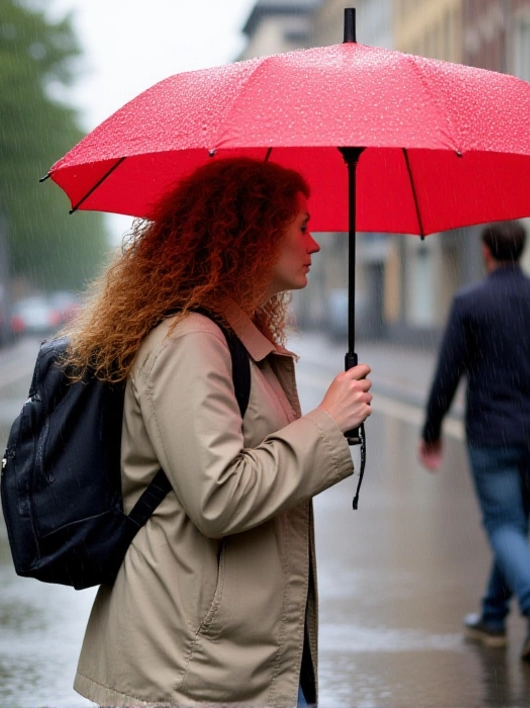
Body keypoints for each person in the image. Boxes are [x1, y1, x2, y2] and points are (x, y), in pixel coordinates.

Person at [60, 157, 373, 706]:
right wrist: (326, 423)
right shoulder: (191, 342)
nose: (316, 244)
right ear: (255, 233)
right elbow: (219, 496)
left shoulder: (232, 339)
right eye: (302, 227)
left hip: (237, 656)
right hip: (191, 665)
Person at [418, 220, 530, 663]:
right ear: (521, 250)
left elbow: (448, 373)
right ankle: (491, 617)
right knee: (513, 526)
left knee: (504, 526)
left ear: (486, 251)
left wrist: (431, 431)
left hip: (492, 433)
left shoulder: (470, 302)